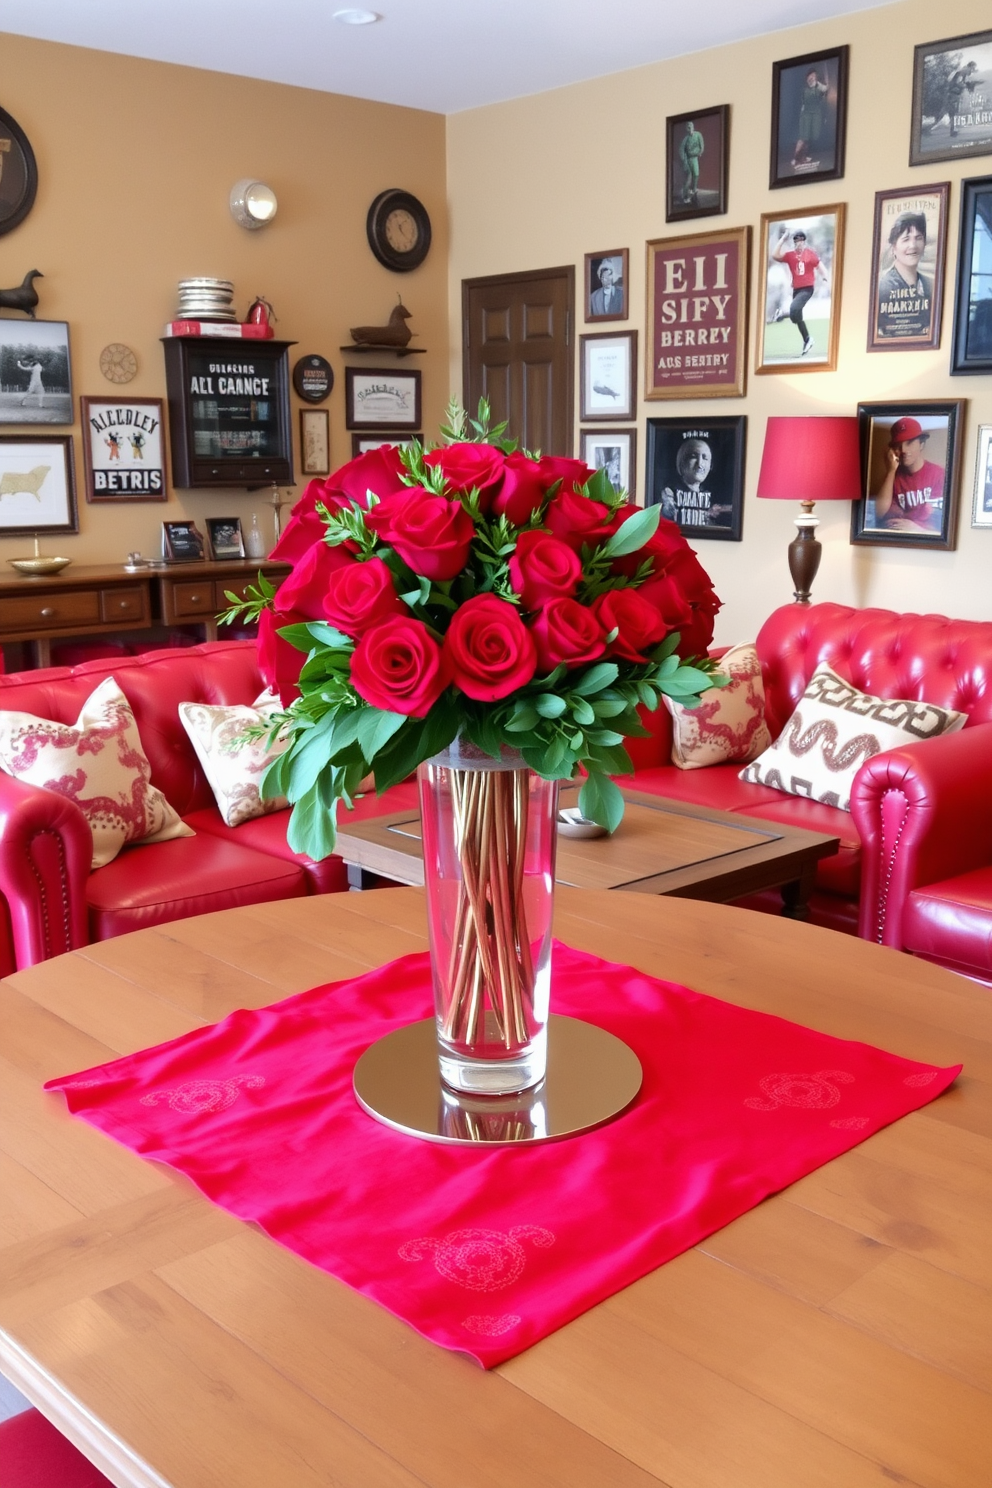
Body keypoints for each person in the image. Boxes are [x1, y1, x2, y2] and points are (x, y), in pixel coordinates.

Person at [870, 417, 944, 534]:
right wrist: (891, 471)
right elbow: (879, 513)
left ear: (921, 444)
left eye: (909, 443)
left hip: (926, 541)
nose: (904, 450)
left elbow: (939, 525)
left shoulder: (938, 474)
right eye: (898, 445)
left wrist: (915, 528)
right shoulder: (892, 476)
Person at [770, 227, 829, 357]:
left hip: (807, 289)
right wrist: (783, 239)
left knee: (794, 308)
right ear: (794, 242)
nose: (799, 243)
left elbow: (820, 266)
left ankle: (782, 313)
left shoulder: (810, 254)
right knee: (796, 316)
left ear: (804, 242)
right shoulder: (790, 255)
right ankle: (807, 339)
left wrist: (825, 276)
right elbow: (774, 255)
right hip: (796, 289)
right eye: (797, 241)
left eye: (801, 241)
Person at [876, 211, 932, 340]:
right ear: (894, 248)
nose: (913, 246)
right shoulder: (885, 288)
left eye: (918, 238)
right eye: (906, 239)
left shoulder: (929, 284)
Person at [659, 436, 730, 527]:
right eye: (693, 456)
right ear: (681, 461)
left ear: (710, 465)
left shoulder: (713, 497)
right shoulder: (669, 493)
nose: (700, 463)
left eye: (705, 458)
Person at [793, 68, 829, 165]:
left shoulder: (817, 85)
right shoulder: (805, 87)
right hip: (805, 115)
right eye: (811, 75)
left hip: (814, 115)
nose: (812, 77)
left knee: (808, 138)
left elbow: (825, 89)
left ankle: (803, 157)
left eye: (814, 76)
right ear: (807, 77)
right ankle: (796, 158)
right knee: (803, 137)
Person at [679, 120, 704, 205]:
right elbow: (681, 149)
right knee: (689, 177)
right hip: (688, 160)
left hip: (695, 158)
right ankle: (685, 196)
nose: (689, 129)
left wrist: (700, 152)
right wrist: (684, 160)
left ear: (693, 127)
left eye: (691, 127)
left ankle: (694, 191)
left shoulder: (698, 135)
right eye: (688, 127)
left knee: (696, 174)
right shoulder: (686, 139)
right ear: (686, 128)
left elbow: (702, 146)